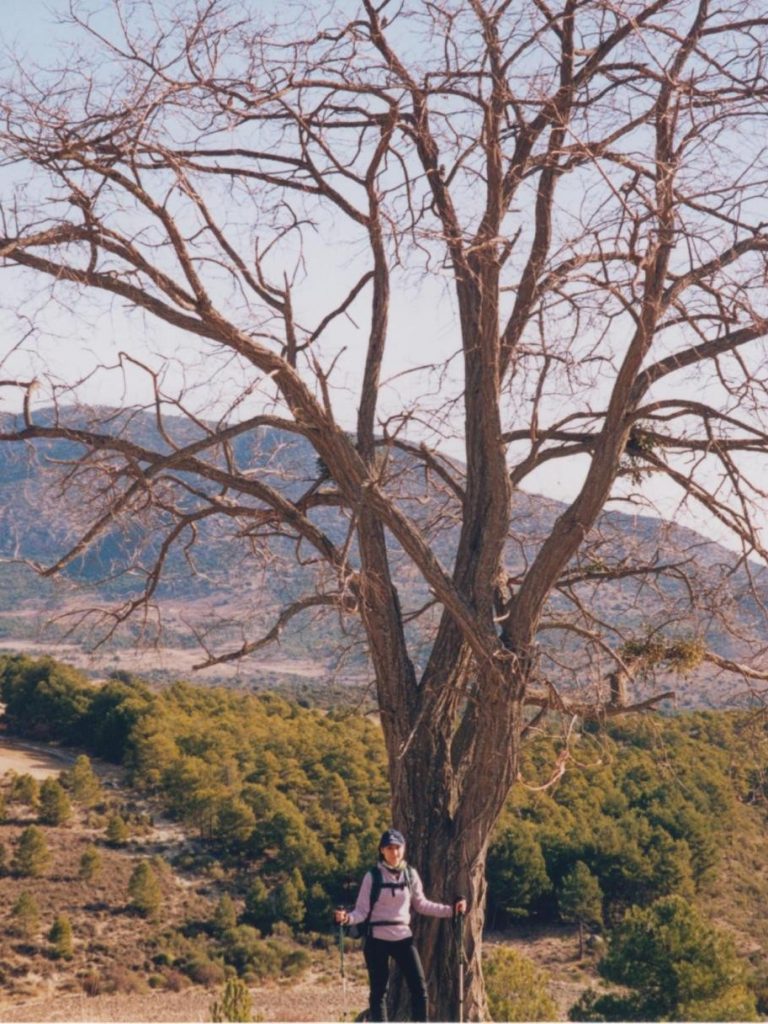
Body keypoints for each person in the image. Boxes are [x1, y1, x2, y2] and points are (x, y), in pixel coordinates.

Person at [334, 828, 467, 1023]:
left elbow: (422, 904)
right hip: (377, 939)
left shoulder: (410, 874)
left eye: (397, 848)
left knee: (419, 989)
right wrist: (346, 919)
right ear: (382, 850)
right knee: (379, 992)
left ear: (403, 849)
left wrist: (452, 911)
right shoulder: (372, 876)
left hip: (403, 938)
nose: (394, 853)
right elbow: (361, 912)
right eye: (389, 848)